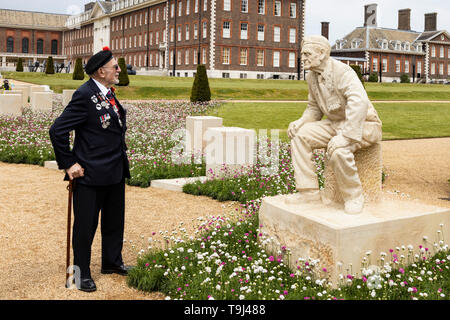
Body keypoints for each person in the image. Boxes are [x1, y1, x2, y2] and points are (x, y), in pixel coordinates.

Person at [49, 47, 132, 292]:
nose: (119, 70)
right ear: (101, 71)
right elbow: (57, 130)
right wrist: (69, 163)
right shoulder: (84, 94)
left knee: (114, 221)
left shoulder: (108, 93)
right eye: (115, 67)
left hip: (114, 169)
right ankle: (80, 273)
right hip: (90, 173)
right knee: (85, 226)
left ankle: (112, 262)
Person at [286, 35, 382, 214]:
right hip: (335, 124)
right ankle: (309, 192)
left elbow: (359, 102)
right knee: (300, 135)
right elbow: (314, 108)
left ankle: (354, 197)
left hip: (364, 125)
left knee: (338, 150)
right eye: (303, 54)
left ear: (321, 53)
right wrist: (300, 122)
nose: (303, 58)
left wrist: (346, 136)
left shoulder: (343, 72)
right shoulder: (311, 76)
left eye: (307, 54)